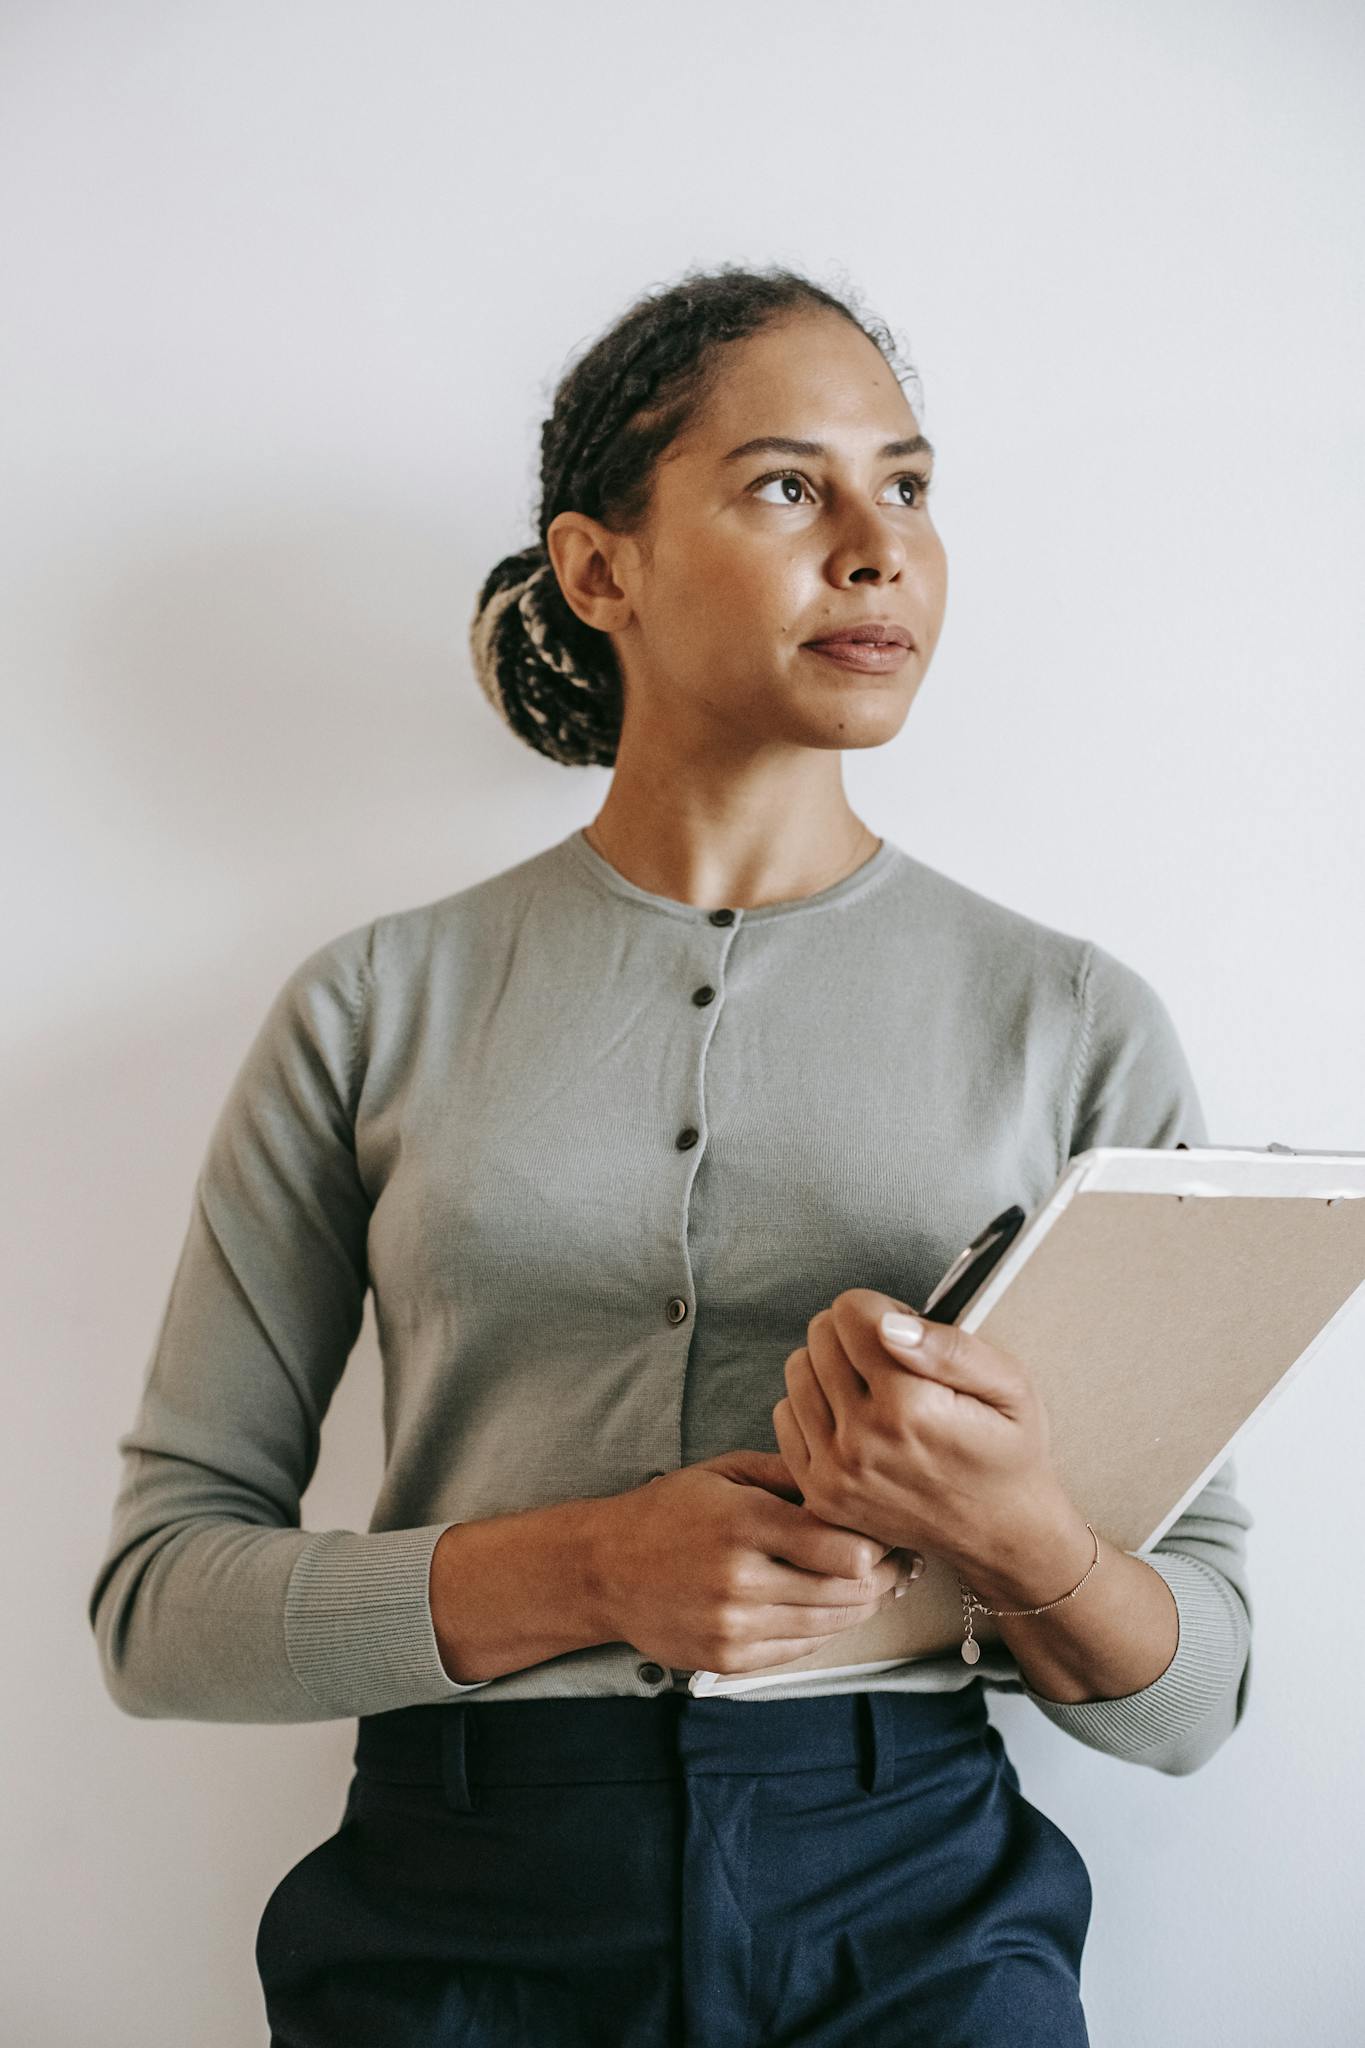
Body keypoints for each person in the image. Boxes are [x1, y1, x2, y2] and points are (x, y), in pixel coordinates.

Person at [89, 263, 1254, 2047]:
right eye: (789, 483)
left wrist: (1026, 1541)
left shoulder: (1076, 1020)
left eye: (912, 487)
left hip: (919, 1918)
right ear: (596, 567)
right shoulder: (372, 1004)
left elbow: (1193, 1699)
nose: (877, 548)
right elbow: (160, 1610)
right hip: (448, 1924)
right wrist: (582, 1569)